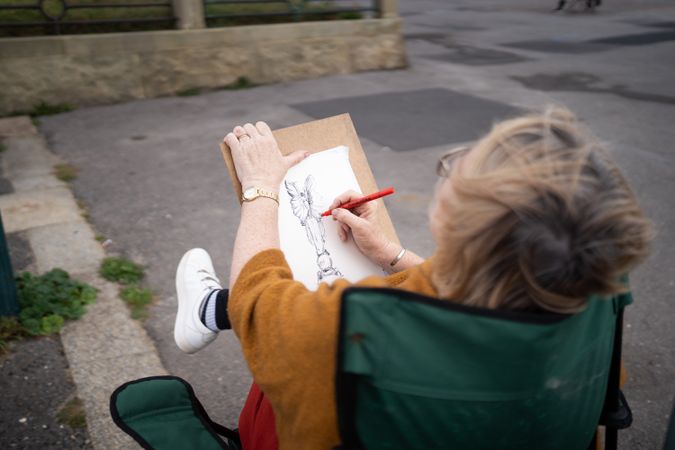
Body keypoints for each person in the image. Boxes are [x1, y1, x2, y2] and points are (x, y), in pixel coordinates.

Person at [173, 108, 651, 450]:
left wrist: (261, 188)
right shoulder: (596, 304)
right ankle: (210, 308)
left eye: (460, 172)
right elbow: (488, 295)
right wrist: (390, 253)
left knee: (270, 379)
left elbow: (258, 304)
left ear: (459, 224)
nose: (452, 167)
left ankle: (210, 309)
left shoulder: (352, 329)